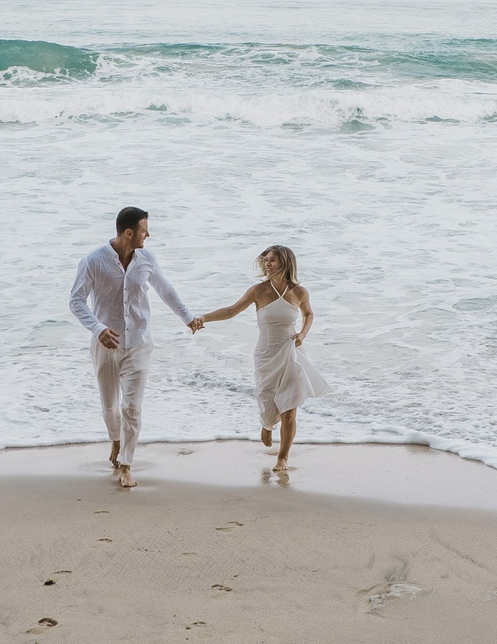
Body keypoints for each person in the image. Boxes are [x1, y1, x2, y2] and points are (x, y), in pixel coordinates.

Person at [68, 206, 200, 485]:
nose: (148, 235)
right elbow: (76, 301)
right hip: (106, 345)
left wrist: (187, 318)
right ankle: (115, 440)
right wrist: (98, 327)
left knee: (132, 407)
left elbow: (165, 290)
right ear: (129, 233)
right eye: (144, 230)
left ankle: (126, 463)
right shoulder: (93, 261)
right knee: (109, 405)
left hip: (139, 343)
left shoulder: (146, 259)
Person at [194, 244, 331, 469]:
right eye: (265, 260)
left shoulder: (299, 292)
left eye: (272, 260)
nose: (267, 264)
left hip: (290, 353)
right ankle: (267, 425)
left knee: (289, 410)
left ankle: (282, 458)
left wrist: (303, 335)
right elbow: (231, 310)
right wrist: (203, 318)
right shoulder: (258, 290)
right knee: (268, 406)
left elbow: (308, 314)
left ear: (285, 263)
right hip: (266, 356)